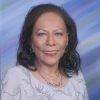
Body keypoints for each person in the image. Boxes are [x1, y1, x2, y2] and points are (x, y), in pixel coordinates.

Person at [1, 3, 89, 100]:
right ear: (30, 40)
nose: (50, 42)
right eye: (42, 34)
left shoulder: (77, 79)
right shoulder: (16, 77)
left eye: (58, 34)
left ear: (67, 39)